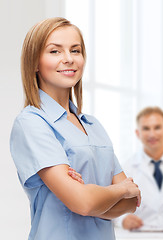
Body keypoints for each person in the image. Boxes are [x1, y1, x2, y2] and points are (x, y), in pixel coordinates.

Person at [10, 17, 141, 240]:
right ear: (34, 62)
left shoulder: (93, 125)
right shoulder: (32, 122)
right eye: (55, 51)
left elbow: (130, 204)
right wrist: (121, 190)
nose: (69, 59)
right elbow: (85, 202)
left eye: (75, 50)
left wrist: (91, 196)